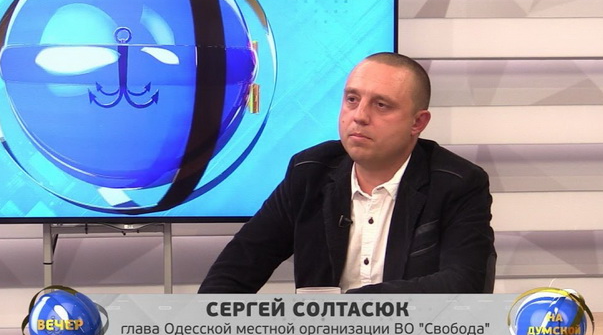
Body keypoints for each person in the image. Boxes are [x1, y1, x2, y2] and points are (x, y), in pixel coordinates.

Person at [198, 52, 496, 294]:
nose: (359, 116)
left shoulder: (458, 184)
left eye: (381, 105)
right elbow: (235, 270)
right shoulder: (309, 172)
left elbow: (464, 284)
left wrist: (349, 311)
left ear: (417, 123)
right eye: (352, 99)